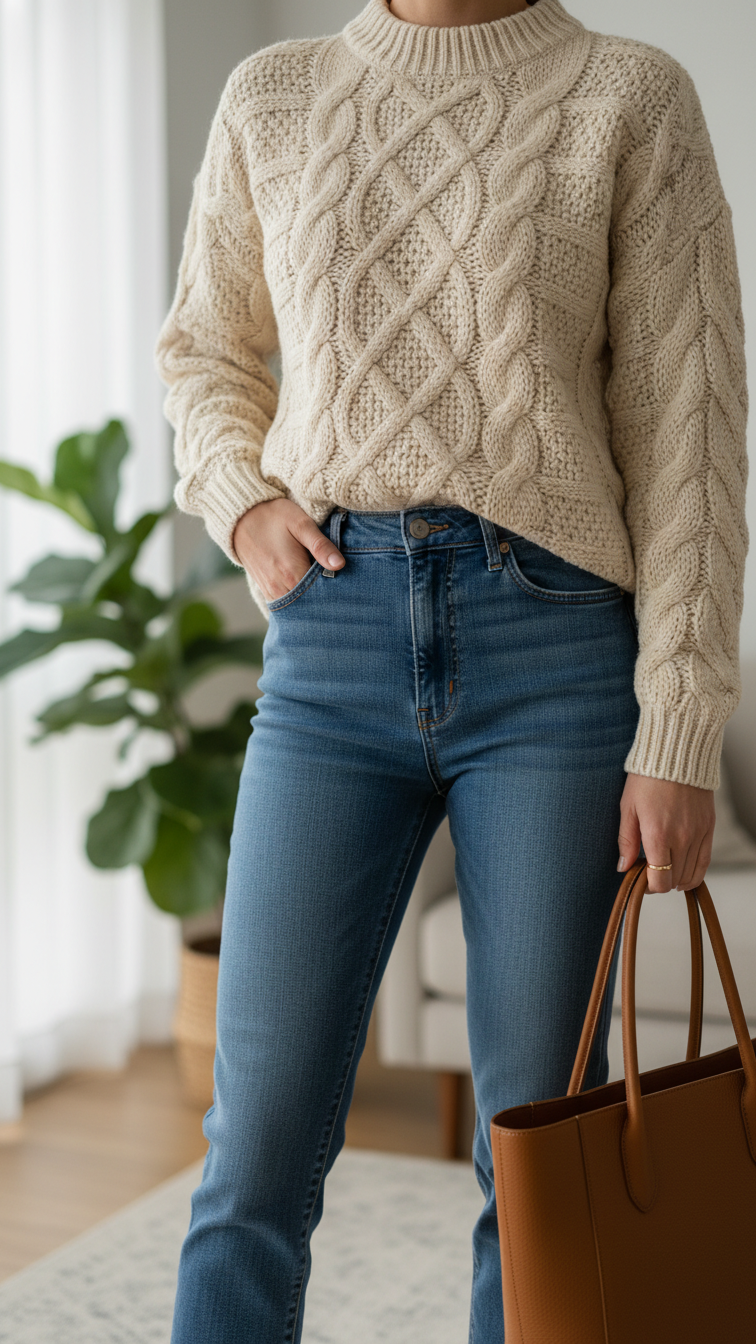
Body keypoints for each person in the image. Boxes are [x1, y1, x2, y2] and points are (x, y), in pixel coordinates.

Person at [155, 0, 749, 1338]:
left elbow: (690, 433)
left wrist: (679, 728)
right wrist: (243, 499)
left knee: (536, 1149)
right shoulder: (275, 94)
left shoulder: (626, 96)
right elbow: (205, 347)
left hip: (554, 657)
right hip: (332, 640)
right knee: (254, 1146)